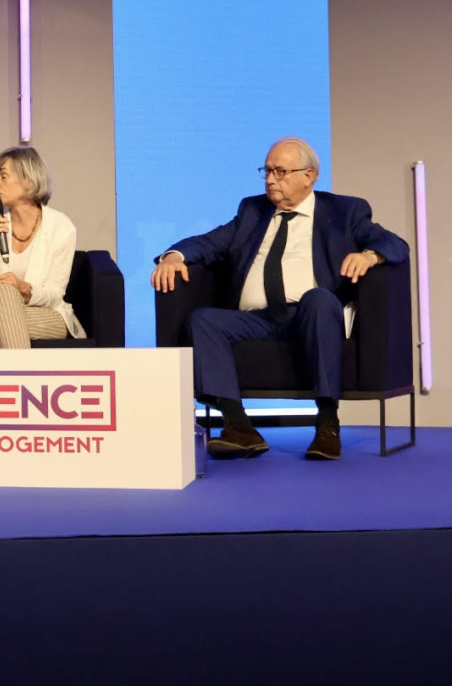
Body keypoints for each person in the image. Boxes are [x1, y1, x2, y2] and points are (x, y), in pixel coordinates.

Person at [151, 137, 409, 461]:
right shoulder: (252, 211)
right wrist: (175, 256)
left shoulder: (344, 211)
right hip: (256, 320)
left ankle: (327, 423)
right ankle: (238, 426)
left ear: (309, 175)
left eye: (281, 171)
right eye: (268, 170)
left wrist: (370, 255)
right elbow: (211, 241)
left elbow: (394, 243)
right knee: (203, 319)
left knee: (319, 299)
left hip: (309, 314)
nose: (271, 179)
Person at [0, 146, 86, 348]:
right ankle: (21, 375)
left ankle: (3, 378)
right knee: (4, 292)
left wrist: (24, 288)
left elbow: (55, 293)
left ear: (28, 181)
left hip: (47, 314)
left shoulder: (61, 226)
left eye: (3, 177)